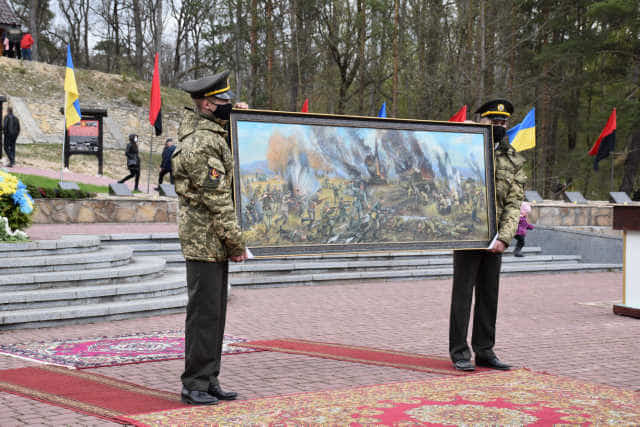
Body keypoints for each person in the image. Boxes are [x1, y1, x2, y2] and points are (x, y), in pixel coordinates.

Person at [173, 71, 248, 405]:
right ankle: (195, 384)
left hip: (211, 240)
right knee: (205, 315)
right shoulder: (202, 143)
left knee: (214, 314)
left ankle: (208, 378)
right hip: (206, 240)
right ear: (206, 104)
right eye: (222, 102)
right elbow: (218, 198)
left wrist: (242, 120)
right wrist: (236, 242)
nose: (227, 106)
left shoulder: (212, 135)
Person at [449, 99, 526, 371]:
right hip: (467, 232)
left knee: (489, 295)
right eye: (492, 121)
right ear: (481, 121)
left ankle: (484, 350)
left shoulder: (514, 158)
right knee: (463, 294)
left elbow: (514, 202)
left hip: (495, 237)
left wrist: (504, 237)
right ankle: (460, 351)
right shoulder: (464, 151)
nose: (498, 125)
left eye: (503, 122)